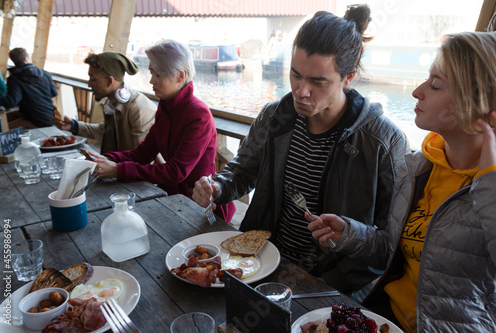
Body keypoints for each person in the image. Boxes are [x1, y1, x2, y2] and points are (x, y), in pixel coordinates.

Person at [192, 5, 409, 300]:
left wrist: (350, 233)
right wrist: (218, 186)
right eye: (295, 74)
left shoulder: (383, 141)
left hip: (335, 283)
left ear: (349, 78)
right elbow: (244, 170)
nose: (301, 91)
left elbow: (394, 242)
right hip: (263, 262)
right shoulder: (274, 117)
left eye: (318, 82)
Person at [308, 31, 496, 332]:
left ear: (477, 105)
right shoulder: (419, 168)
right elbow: (392, 251)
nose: (417, 91)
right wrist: (350, 233)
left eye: (435, 85)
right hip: (384, 317)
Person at [83, 40, 235, 223]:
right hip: (173, 199)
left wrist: (118, 170)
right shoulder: (165, 109)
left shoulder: (198, 115)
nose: (151, 80)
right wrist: (107, 159)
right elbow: (143, 153)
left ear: (180, 76)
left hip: (201, 203)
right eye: (151, 72)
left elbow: (177, 171)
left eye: (158, 74)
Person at [52, 51, 157, 155]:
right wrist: (74, 126)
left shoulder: (138, 109)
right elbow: (104, 132)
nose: (89, 84)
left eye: (93, 79)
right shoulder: (112, 104)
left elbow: (143, 157)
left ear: (109, 81)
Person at [0, 47, 57, 129]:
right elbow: (54, 93)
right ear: (26, 59)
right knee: (4, 120)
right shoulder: (45, 74)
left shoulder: (14, 78)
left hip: (34, 121)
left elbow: (11, 102)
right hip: (50, 117)